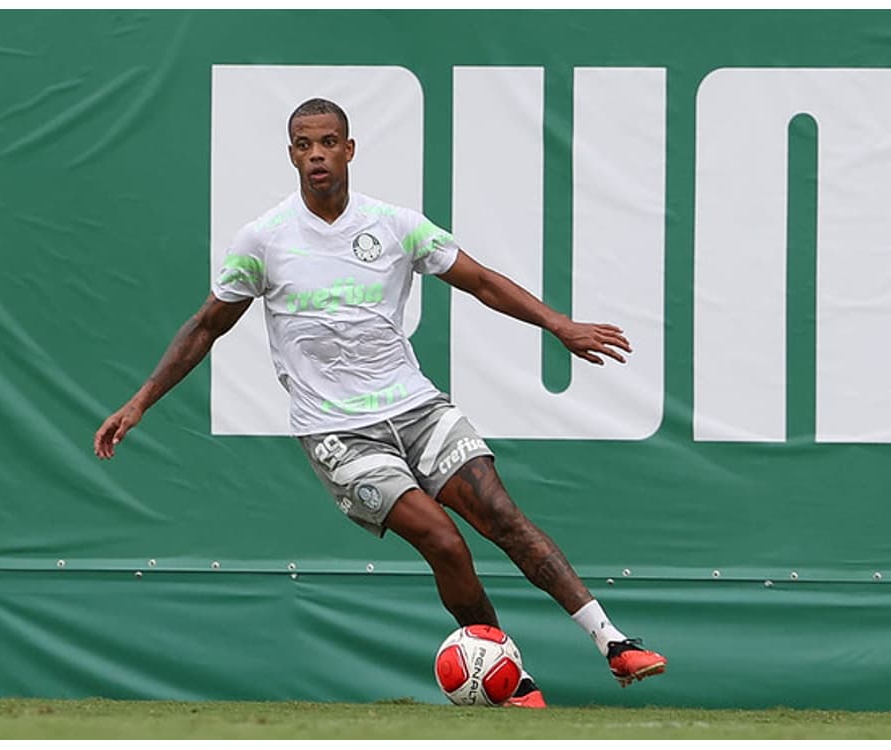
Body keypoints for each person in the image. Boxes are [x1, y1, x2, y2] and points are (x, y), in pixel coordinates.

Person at [93, 97, 666, 708]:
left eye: (329, 142)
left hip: (417, 409)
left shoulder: (394, 225)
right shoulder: (263, 240)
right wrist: (140, 402)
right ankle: (508, 679)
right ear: (291, 154)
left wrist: (558, 324)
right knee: (444, 542)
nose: (317, 154)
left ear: (349, 148)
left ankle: (612, 642)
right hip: (339, 433)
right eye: (304, 144)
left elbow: (481, 281)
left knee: (503, 517)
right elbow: (207, 325)